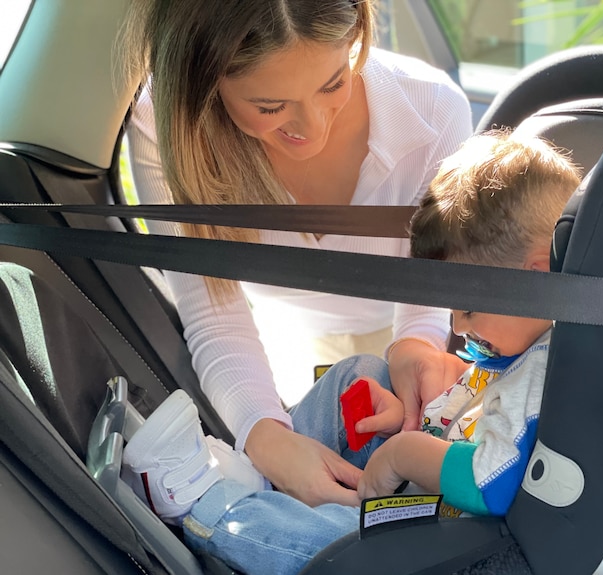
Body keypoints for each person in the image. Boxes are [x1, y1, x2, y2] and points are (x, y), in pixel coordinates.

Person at [122, 131, 582, 575]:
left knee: (344, 542)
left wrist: (403, 452)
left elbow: (491, 483)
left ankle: (205, 506)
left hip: (445, 530)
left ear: (536, 277)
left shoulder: (540, 370)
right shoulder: (526, 344)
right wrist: (415, 415)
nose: (458, 327)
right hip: (429, 472)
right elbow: (480, 412)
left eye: (468, 308)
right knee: (360, 374)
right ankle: (261, 479)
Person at [121, 0, 473, 508]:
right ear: (203, 82)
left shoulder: (435, 111)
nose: (312, 128)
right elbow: (216, 316)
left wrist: (417, 345)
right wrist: (270, 440)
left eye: (334, 83)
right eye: (270, 107)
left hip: (406, 333)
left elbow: (432, 282)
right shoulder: (166, 127)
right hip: (277, 347)